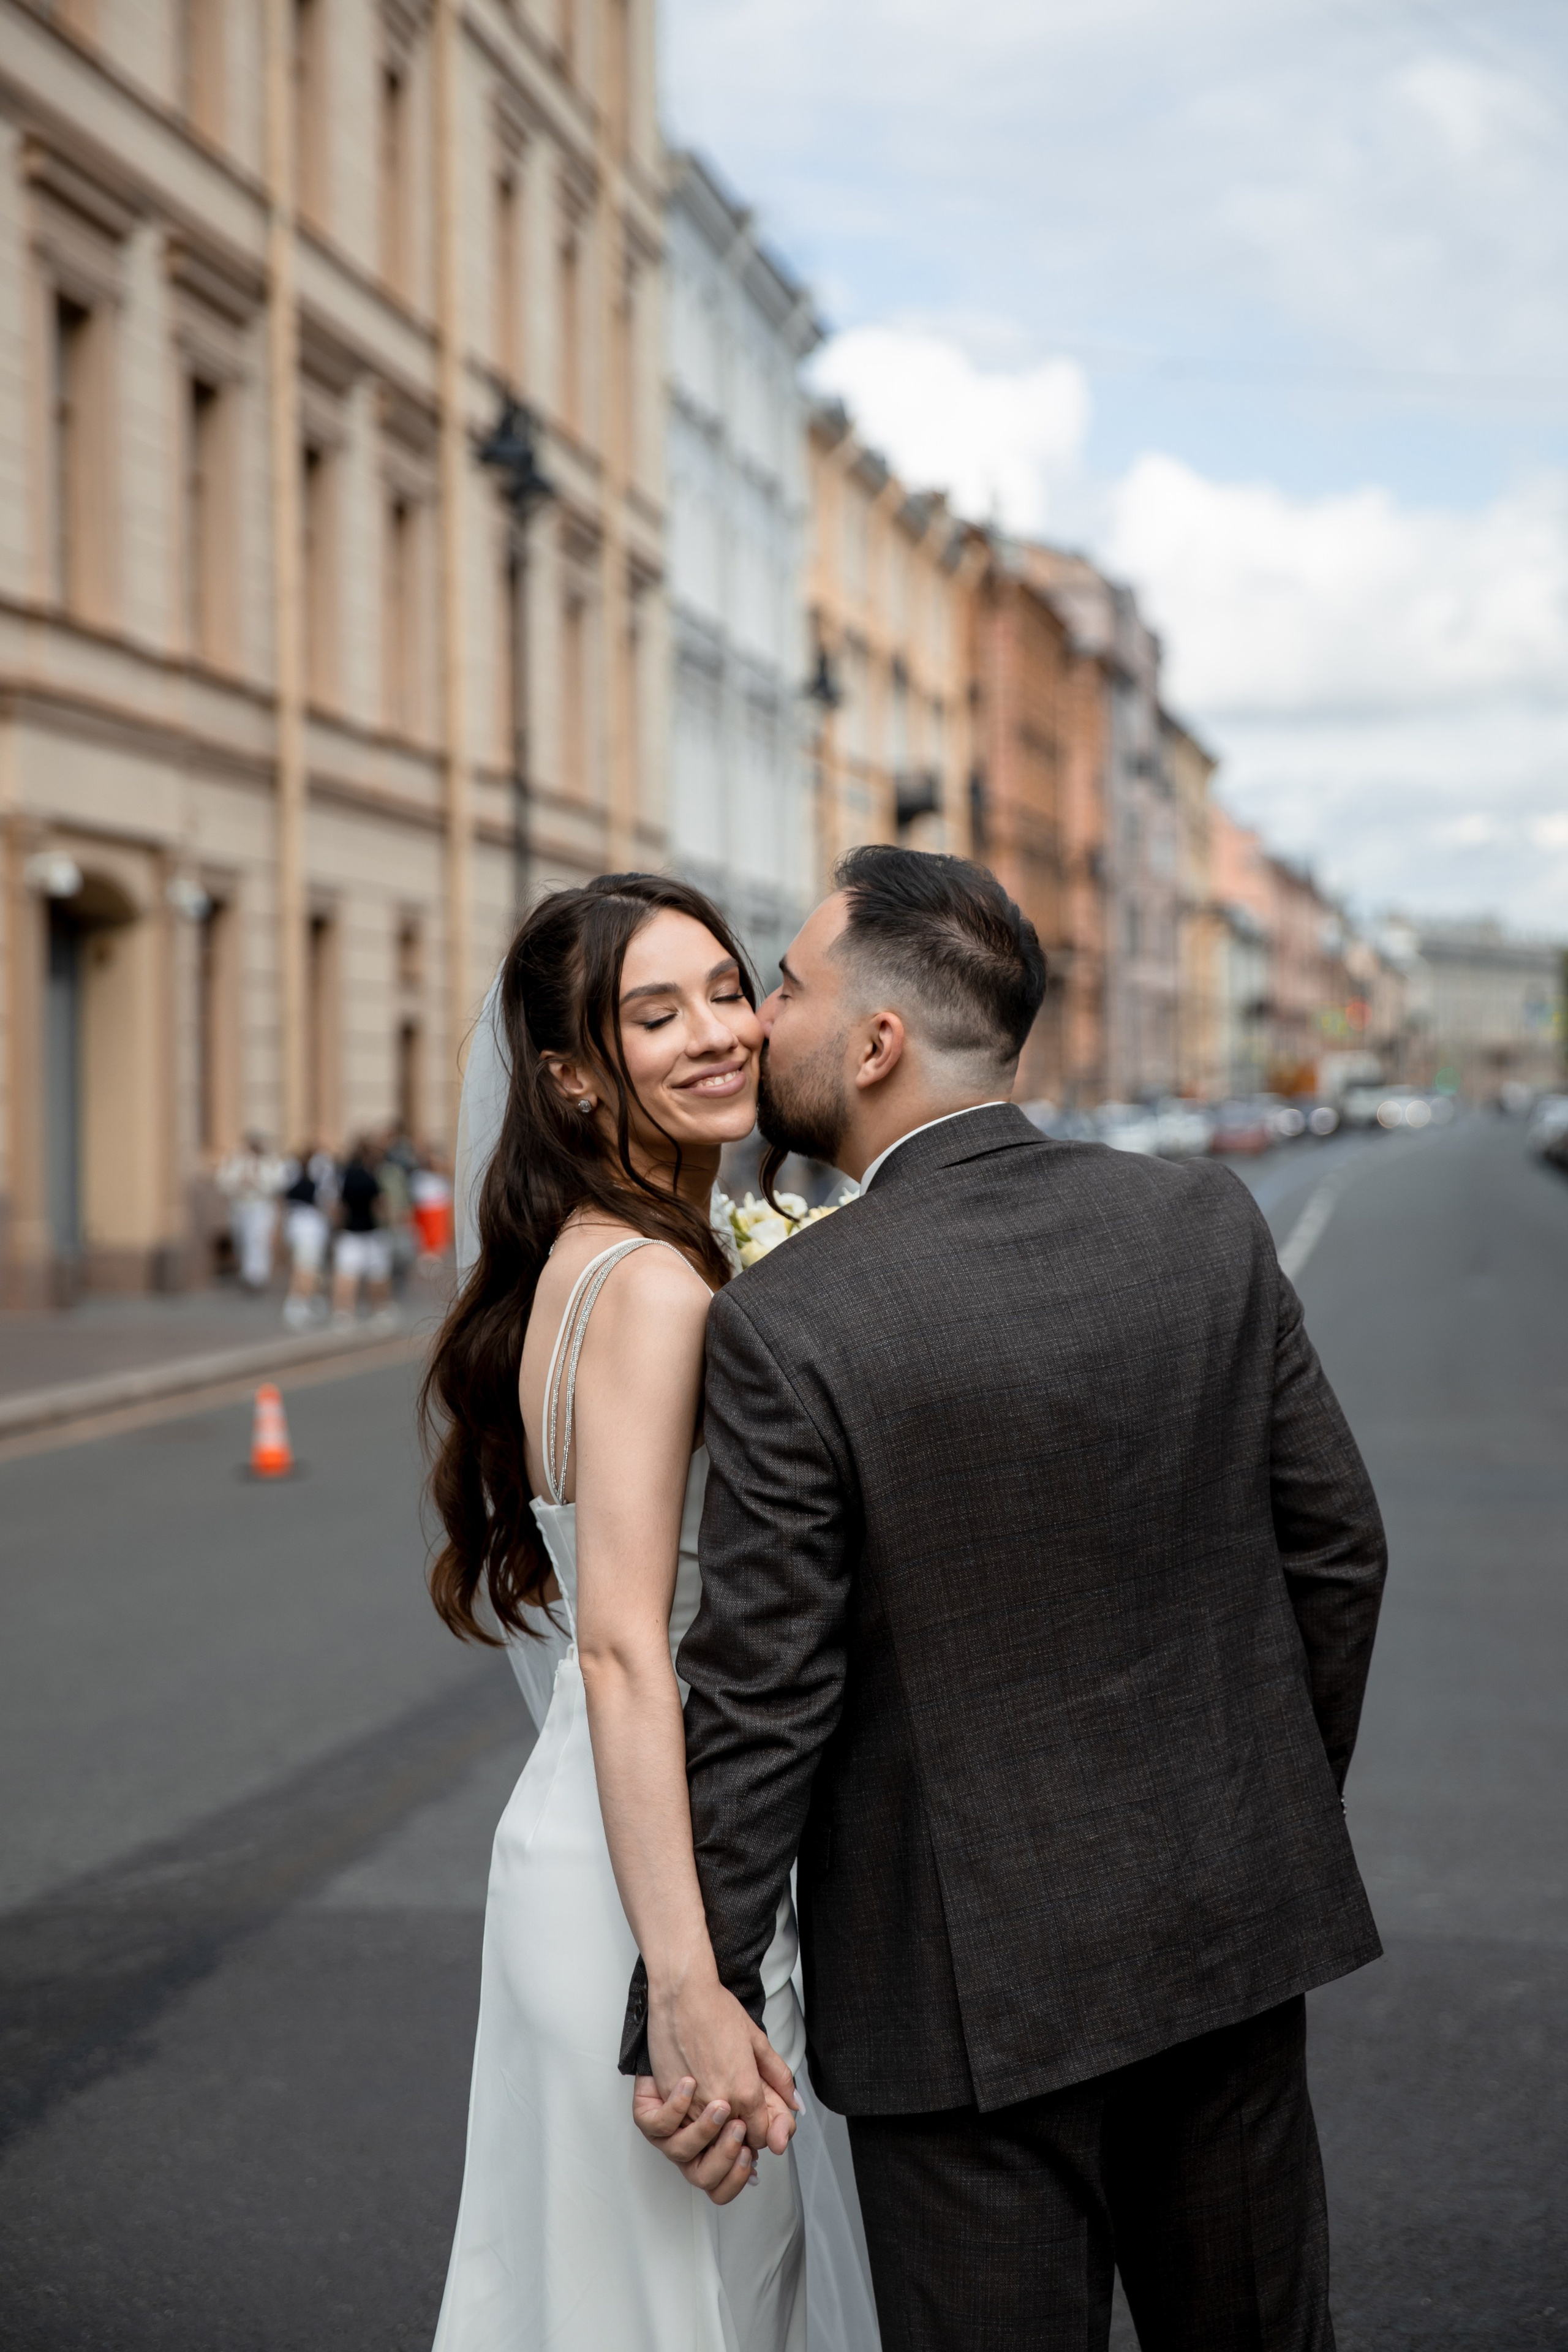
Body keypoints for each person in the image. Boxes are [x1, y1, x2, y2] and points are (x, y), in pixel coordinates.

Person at [630, 845, 1387, 2351]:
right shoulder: (1199, 1224)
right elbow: (1337, 1553)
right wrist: (1245, 1814)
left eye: (779, 986)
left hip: (960, 2006)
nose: (753, 1022)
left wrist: (692, 1998)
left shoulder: (794, 1320)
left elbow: (765, 1696)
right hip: (1225, 1943)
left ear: (873, 1043)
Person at [422, 874, 877, 2352]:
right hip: (655, 1882)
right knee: (696, 2307)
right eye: (651, 1011)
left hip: (581, 1838)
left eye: (727, 990)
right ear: (565, 1073)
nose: (715, 1033)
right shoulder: (664, 1291)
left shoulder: (587, 1258)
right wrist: (686, 1981)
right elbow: (623, 1646)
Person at [331, 1139, 394, 1329]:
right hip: (371, 1232)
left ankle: (343, 1314)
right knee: (378, 1274)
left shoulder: (346, 1176)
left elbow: (339, 1206)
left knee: (346, 1274)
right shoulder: (371, 1177)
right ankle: (380, 1311)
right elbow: (379, 1205)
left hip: (350, 1231)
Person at [216, 1134, 284, 1292]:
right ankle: (247, 1272)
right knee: (242, 1240)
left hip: (261, 1205)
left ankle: (256, 1276)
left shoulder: (270, 1161)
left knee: (258, 1240)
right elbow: (224, 1181)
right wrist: (239, 1182)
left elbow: (277, 1182)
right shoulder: (236, 1160)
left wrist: (258, 1182)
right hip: (240, 1205)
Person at [279, 1144, 336, 1330]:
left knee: (308, 1264)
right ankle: (298, 1302)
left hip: (298, 1222)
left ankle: (307, 1298)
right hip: (308, 1224)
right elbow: (327, 1200)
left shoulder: (292, 1172)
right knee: (306, 1265)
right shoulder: (315, 1174)